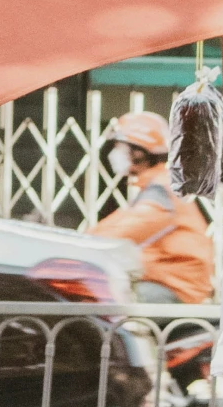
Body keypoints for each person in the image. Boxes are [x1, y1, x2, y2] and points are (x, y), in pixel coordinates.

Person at [90, 109, 215, 305]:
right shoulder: (153, 186)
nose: (114, 153)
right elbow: (113, 225)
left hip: (173, 287)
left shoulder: (161, 189)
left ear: (139, 151)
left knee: (102, 303)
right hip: (162, 281)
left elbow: (127, 230)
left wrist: (86, 243)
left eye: (119, 147)